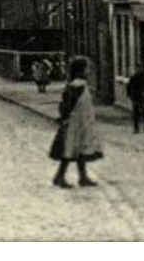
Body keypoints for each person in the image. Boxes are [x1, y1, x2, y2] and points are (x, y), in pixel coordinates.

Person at [49, 56, 103, 188]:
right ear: (81, 70)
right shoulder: (77, 85)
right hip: (75, 122)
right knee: (70, 149)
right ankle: (60, 176)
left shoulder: (78, 85)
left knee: (79, 150)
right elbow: (69, 104)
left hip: (81, 121)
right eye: (87, 68)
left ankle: (82, 177)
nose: (88, 71)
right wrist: (65, 117)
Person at [126, 65, 144, 133]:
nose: (138, 70)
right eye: (137, 69)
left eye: (140, 68)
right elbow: (129, 87)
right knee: (136, 113)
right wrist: (130, 95)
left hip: (143, 97)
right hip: (135, 97)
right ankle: (136, 128)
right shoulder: (133, 78)